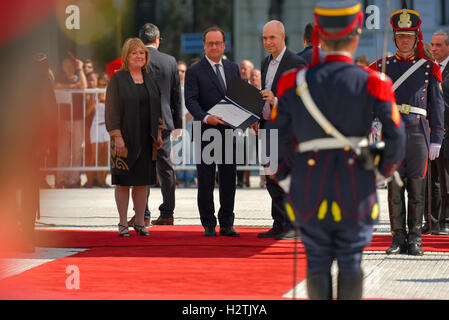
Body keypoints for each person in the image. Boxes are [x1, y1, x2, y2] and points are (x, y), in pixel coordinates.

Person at [268, 0, 406, 300]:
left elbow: (273, 138)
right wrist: (379, 174)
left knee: (316, 260)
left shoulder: (293, 82)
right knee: (351, 261)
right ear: (356, 33)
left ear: (318, 33)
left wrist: (288, 178)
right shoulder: (375, 82)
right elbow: (396, 139)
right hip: (356, 184)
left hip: (308, 185)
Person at [370, 7, 445, 255]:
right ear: (394, 38)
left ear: (416, 38)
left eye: (409, 36)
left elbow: (436, 106)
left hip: (418, 133)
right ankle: (397, 237)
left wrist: (436, 137)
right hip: (391, 132)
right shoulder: (382, 66)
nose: (405, 40)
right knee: (394, 187)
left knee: (417, 186)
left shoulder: (428, 68)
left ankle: (415, 238)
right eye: (401, 36)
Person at [185, 26, 241, 237]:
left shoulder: (233, 68)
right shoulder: (194, 70)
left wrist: (248, 117)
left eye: (218, 43)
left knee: (229, 180)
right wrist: (207, 117)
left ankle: (227, 222)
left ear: (224, 45)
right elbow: (190, 100)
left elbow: (239, 98)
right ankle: (209, 223)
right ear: (204, 45)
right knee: (206, 181)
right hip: (206, 131)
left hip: (229, 132)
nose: (215, 47)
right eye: (210, 43)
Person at [105, 38, 163, 237]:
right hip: (124, 140)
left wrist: (159, 132)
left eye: (142, 53)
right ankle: (122, 223)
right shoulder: (118, 79)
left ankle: (140, 223)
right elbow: (111, 111)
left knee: (141, 183)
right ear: (126, 56)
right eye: (134, 53)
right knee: (124, 183)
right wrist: (117, 137)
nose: (139, 56)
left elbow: (157, 110)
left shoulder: (150, 78)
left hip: (147, 139)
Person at [127, 23, 182, 227]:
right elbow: (177, 94)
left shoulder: (136, 59)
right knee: (166, 168)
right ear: (158, 39)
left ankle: (144, 213)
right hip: (165, 122)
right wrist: (177, 124)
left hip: (140, 120)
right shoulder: (170, 61)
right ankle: (167, 212)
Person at [257, 20, 307, 240]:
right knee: (271, 178)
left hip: (288, 132)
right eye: (265, 38)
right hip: (267, 128)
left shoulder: (297, 62)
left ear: (283, 37)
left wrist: (276, 100)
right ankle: (279, 223)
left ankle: (294, 224)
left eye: (272, 38)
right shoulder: (265, 63)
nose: (268, 42)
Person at [424, 29, 449, 235]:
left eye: (438, 45)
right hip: (431, 132)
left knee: (446, 178)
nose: (433, 49)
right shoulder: (430, 69)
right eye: (432, 45)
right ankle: (432, 222)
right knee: (431, 180)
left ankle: (446, 219)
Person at [54, 56, 87, 189]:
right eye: (65, 65)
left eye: (71, 65)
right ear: (62, 67)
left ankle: (73, 179)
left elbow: (84, 86)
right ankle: (61, 178)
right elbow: (57, 86)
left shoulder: (79, 77)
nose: (68, 67)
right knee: (63, 150)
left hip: (77, 118)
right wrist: (74, 87)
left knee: (77, 150)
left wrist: (80, 69)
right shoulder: (60, 78)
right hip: (63, 119)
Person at [175, 60, 197, 187]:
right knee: (178, 151)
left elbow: (194, 104)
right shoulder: (172, 86)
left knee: (190, 152)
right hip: (177, 123)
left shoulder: (190, 86)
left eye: (182, 70)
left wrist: (186, 119)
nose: (180, 73)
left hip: (189, 122)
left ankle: (189, 179)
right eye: (177, 70)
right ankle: (181, 179)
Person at [86, 72, 110, 188]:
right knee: (94, 155)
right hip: (96, 125)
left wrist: (105, 100)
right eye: (100, 84)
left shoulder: (111, 94)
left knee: (106, 154)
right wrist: (95, 101)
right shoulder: (94, 94)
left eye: (104, 84)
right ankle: (90, 180)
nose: (102, 86)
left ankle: (102, 180)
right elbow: (87, 112)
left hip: (107, 126)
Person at [237, 59, 255, 188]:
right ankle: (239, 179)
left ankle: (246, 179)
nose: (243, 71)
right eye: (241, 68)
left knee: (249, 151)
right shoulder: (235, 85)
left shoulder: (256, 87)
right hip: (237, 125)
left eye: (245, 68)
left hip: (252, 126)